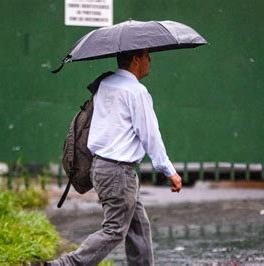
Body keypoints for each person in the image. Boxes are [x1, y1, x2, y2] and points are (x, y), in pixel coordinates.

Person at [48, 48, 182, 266]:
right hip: (119, 172)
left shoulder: (105, 84)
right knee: (114, 230)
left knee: (138, 227)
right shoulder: (136, 91)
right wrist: (169, 170)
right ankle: (64, 265)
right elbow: (150, 135)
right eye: (147, 55)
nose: (150, 60)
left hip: (101, 167)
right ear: (136, 59)